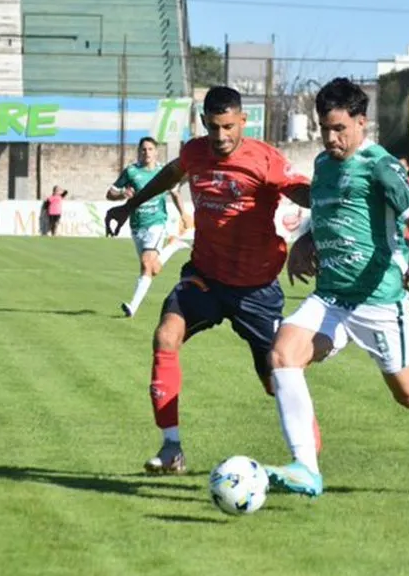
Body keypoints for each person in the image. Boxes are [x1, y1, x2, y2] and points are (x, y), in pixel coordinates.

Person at [262, 78, 409, 497]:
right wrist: (305, 242)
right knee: (282, 355)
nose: (330, 138)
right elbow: (330, 211)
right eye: (324, 129)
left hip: (379, 300)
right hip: (331, 297)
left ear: (361, 123)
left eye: (339, 129)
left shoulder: (380, 166)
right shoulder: (323, 164)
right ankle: (306, 468)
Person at [105, 85, 315, 475]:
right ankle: (171, 449)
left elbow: (303, 191)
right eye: (213, 127)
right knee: (165, 337)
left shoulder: (265, 159)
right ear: (203, 122)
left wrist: (320, 218)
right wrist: (130, 205)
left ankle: (309, 460)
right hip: (205, 276)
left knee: (277, 379)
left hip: (256, 288)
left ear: (243, 121)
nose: (220, 136)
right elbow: (172, 173)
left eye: (229, 127)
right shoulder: (195, 152)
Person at [106, 136, 190, 317]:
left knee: (146, 264)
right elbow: (110, 193)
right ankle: (173, 246)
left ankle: (132, 307)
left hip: (156, 223)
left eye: (150, 149)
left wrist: (183, 213)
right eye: (143, 149)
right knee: (153, 269)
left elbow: (175, 193)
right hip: (137, 225)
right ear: (139, 152)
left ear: (156, 152)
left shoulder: (163, 172)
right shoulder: (131, 172)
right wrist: (122, 194)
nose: (147, 152)